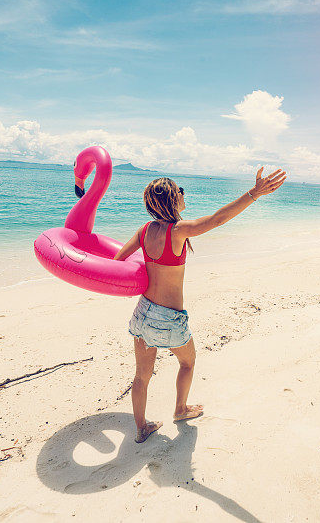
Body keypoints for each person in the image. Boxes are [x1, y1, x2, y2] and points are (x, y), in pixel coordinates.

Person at [113, 167, 287, 442]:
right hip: (169, 318)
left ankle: (141, 429)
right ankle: (180, 410)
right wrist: (254, 194)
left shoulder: (145, 230)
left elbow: (117, 262)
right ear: (172, 199)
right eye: (180, 191)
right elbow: (218, 220)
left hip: (143, 312)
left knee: (141, 377)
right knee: (188, 363)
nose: (184, 195)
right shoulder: (179, 230)